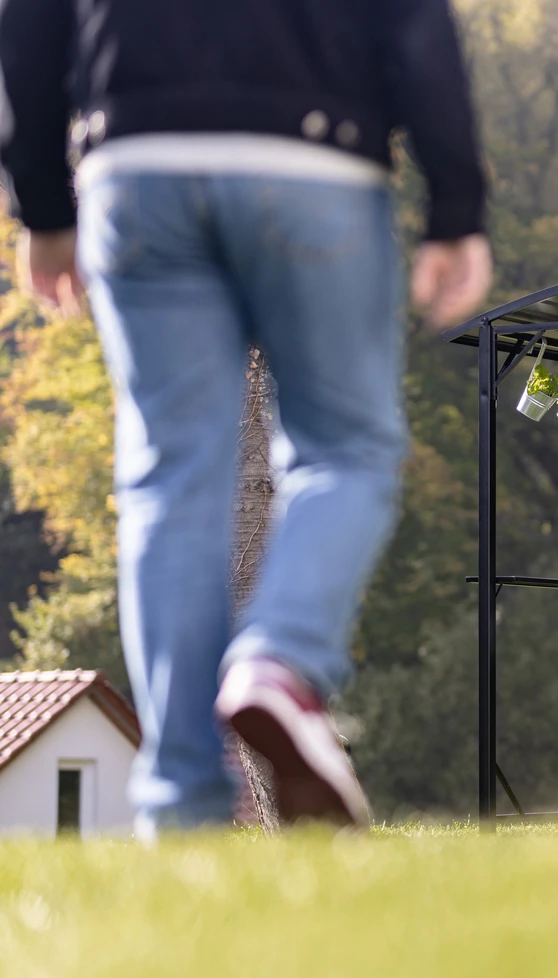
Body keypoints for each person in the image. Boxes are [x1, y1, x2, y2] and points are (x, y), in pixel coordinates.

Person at [0, 0, 492, 835]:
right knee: (346, 449)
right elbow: (413, 18)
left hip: (135, 158)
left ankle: (179, 807)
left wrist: (41, 202)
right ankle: (280, 660)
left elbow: (29, 16)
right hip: (316, 154)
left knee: (171, 480)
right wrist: (457, 208)